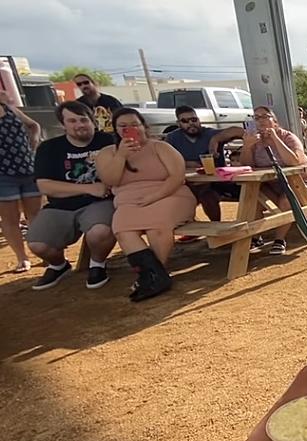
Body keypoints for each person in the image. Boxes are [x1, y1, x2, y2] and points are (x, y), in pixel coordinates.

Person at [95, 109, 196, 301]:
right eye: (123, 126)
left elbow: (177, 176)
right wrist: (121, 156)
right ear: (115, 130)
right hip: (129, 201)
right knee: (123, 228)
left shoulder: (160, 147)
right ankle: (154, 275)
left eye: (134, 124)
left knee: (157, 226)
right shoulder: (108, 153)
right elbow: (111, 180)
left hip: (170, 195)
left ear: (144, 126)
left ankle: (154, 275)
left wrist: (155, 196)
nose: (129, 129)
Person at [27, 101, 116, 290]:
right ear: (63, 124)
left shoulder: (109, 141)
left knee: (100, 232)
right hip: (61, 205)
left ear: (92, 120)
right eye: (72, 120)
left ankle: (97, 264)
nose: (79, 125)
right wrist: (89, 188)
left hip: (99, 203)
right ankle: (59, 265)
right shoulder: (49, 148)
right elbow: (45, 186)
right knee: (37, 244)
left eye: (83, 119)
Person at [239, 105, 307, 255]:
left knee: (287, 200)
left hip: (300, 184)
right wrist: (247, 147)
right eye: (256, 117)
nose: (261, 120)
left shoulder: (288, 137)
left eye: (265, 116)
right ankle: (255, 236)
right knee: (254, 197)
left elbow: (295, 161)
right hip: (271, 184)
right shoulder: (254, 141)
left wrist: (275, 138)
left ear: (274, 121)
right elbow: (246, 165)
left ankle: (279, 239)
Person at [164, 105, 244, 222]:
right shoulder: (172, 138)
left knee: (207, 195)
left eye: (194, 119)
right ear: (179, 123)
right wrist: (186, 163)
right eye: (185, 121)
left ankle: (217, 227)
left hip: (217, 181)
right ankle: (191, 226)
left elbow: (239, 131)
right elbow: (165, 159)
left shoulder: (209, 133)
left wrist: (215, 140)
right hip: (189, 182)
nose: (191, 123)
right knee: (177, 195)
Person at [0, 91, 42, 273]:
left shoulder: (10, 109)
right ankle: (22, 258)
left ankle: (42, 252)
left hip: (27, 168)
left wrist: (32, 142)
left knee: (35, 215)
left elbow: (33, 126)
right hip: (2, 175)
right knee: (10, 220)